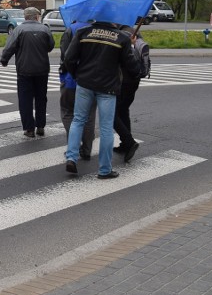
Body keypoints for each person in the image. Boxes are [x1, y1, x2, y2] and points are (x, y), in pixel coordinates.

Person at [63, 21, 140, 179]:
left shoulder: (83, 33)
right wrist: (131, 46)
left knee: (78, 120)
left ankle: (71, 157)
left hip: (84, 83)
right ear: (114, 19)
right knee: (106, 128)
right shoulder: (121, 38)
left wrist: (78, 75)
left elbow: (69, 59)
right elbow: (132, 67)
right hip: (108, 87)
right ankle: (104, 169)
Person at [0, 7, 55, 137]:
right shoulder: (45, 29)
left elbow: (10, 47)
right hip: (42, 70)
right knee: (41, 98)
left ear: (25, 17)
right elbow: (50, 46)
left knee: (25, 100)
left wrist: (4, 60)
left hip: (24, 70)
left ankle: (29, 128)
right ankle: (40, 126)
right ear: (36, 17)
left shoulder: (19, 30)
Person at [59, 21, 97, 159]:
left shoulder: (72, 29)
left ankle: (73, 147)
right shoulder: (99, 29)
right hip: (92, 80)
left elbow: (65, 55)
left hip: (71, 80)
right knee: (89, 115)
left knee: (68, 112)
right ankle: (87, 149)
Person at [113, 26, 151, 162]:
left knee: (112, 114)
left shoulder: (123, 34)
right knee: (123, 111)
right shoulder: (132, 31)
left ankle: (128, 141)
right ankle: (125, 144)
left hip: (124, 81)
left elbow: (125, 60)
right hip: (134, 82)